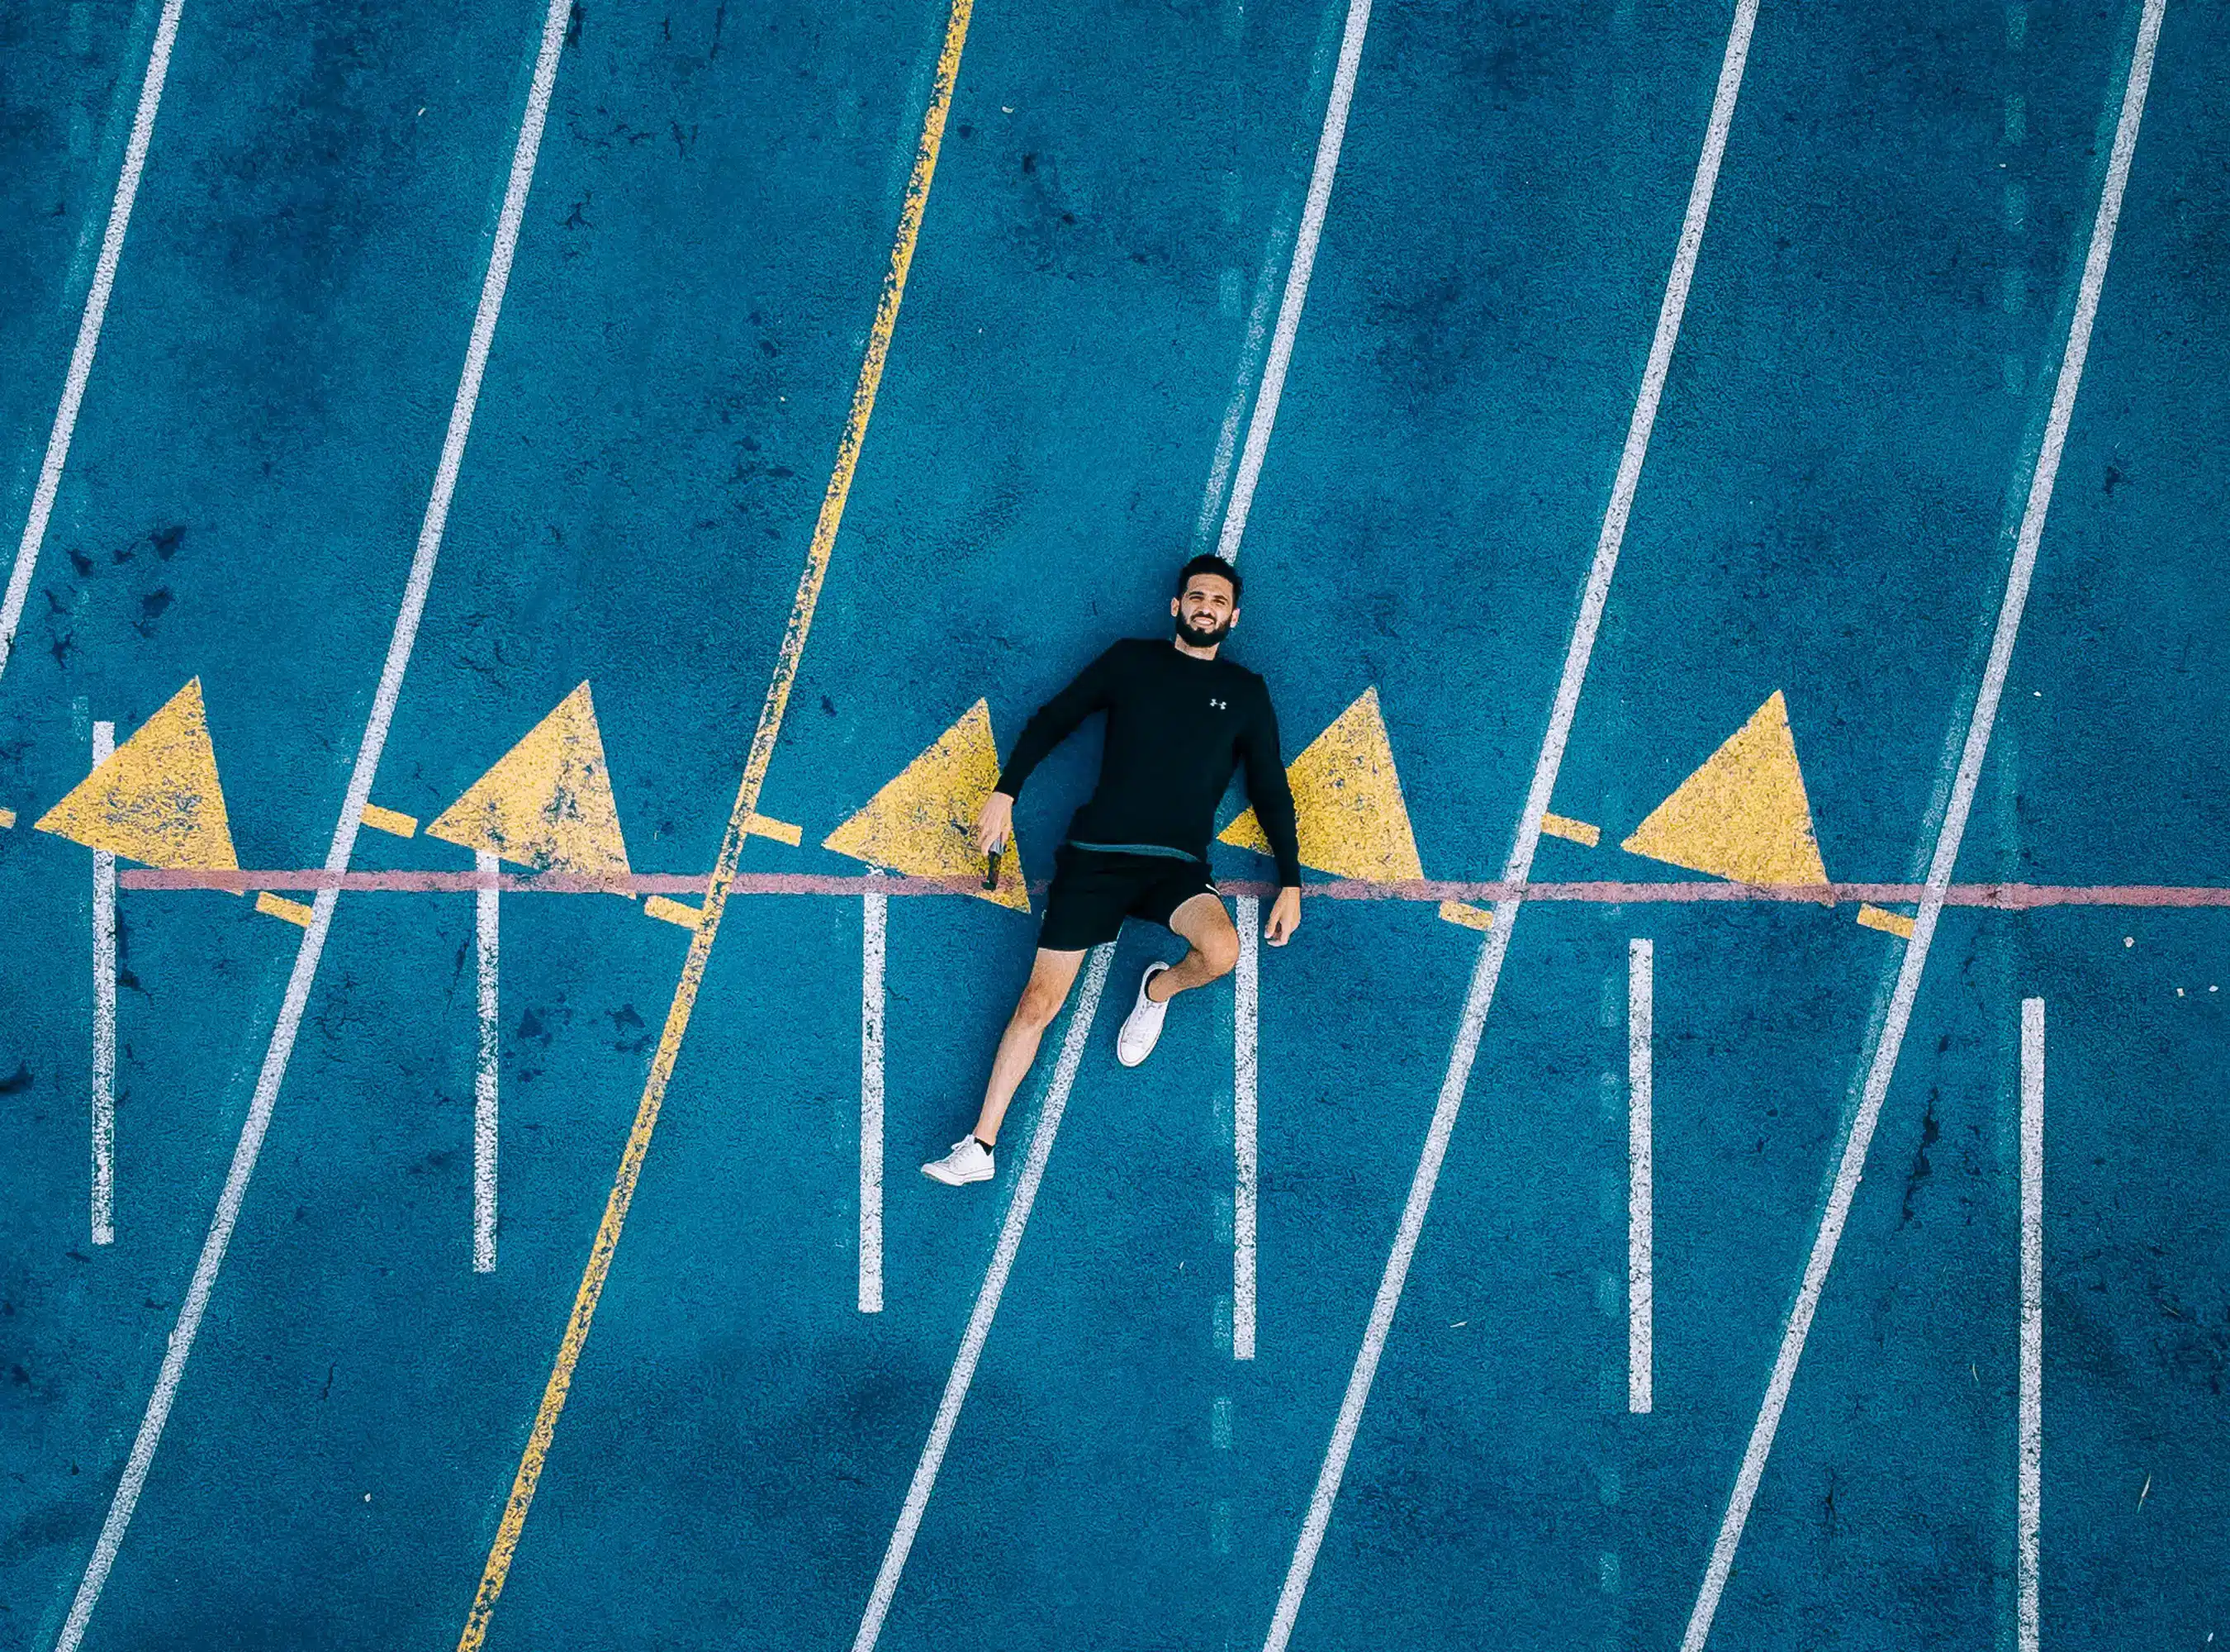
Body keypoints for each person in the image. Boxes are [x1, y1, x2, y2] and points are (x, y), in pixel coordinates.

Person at [922, 553, 1303, 1186]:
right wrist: (1005, 792)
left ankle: (1156, 991)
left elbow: (1270, 788)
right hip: (1096, 859)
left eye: (1218, 601)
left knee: (1223, 951)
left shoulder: (1246, 692)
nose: (1205, 606)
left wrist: (1289, 881)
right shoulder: (1130, 661)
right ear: (1175, 607)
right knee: (1038, 1002)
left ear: (1233, 617)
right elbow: (1054, 718)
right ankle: (980, 1148)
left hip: (1176, 869)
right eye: (1196, 596)